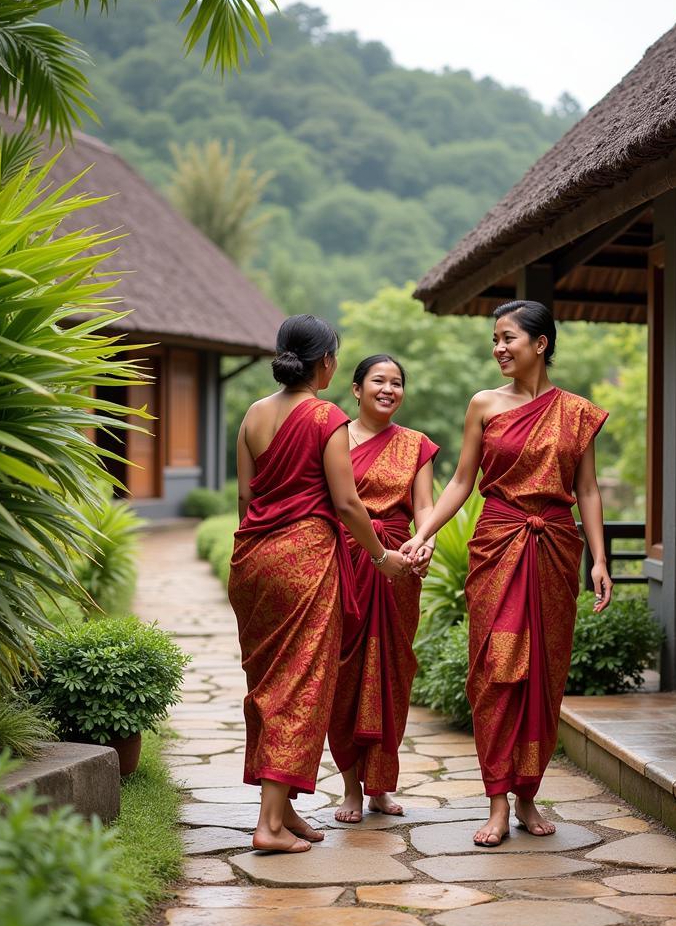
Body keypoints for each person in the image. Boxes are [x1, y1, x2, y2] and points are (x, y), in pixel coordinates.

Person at [402, 300, 612, 847]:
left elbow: (587, 489)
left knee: (544, 675)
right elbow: (459, 482)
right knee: (496, 671)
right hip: (498, 544)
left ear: (540, 344)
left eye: (508, 338)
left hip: (556, 550)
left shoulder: (578, 412)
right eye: (494, 339)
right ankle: (497, 799)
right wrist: (421, 534)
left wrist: (601, 560)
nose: (498, 348)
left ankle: (526, 796)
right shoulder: (484, 405)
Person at [228, 315, 410, 854]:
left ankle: (284, 813)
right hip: (304, 561)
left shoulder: (254, 414)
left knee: (267, 683)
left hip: (253, 560)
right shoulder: (326, 416)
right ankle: (268, 826)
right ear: (327, 362)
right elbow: (348, 503)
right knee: (300, 685)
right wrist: (380, 557)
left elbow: (244, 500)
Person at [328, 355, 439, 823]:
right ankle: (351, 787)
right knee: (346, 673)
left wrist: (426, 542)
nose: (388, 389)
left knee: (392, 673)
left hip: (397, 573)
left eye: (397, 383)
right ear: (356, 389)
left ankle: (380, 787)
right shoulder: (332, 439)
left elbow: (425, 508)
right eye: (379, 381)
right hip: (345, 564)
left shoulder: (416, 445)